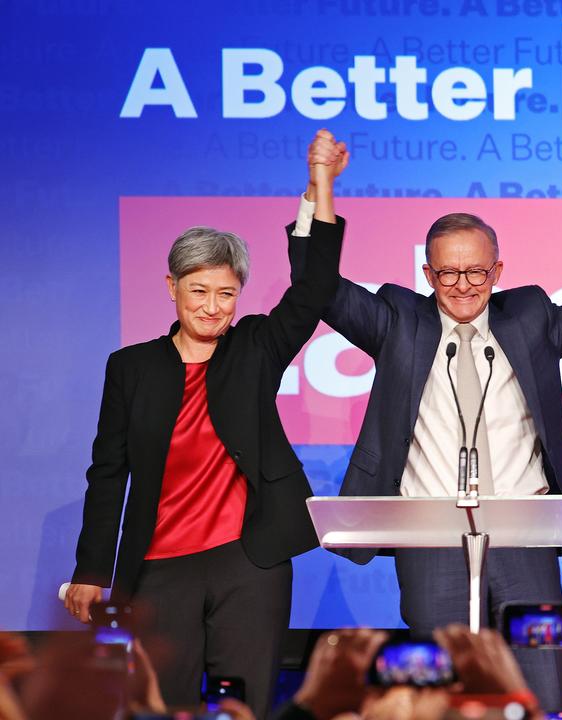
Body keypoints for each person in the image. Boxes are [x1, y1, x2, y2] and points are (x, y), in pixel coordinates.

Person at [288, 167, 562, 711]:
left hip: (525, 536)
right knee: (442, 701)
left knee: (543, 693)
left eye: (476, 272)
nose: (463, 285)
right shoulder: (396, 321)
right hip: (431, 541)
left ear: (498, 269)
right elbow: (318, 288)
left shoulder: (530, 319)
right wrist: (320, 189)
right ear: (427, 273)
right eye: (448, 273)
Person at [62, 129, 347, 719]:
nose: (213, 306)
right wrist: (92, 570)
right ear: (171, 288)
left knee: (241, 706)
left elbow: (314, 288)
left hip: (250, 562)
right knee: (159, 707)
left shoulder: (255, 348)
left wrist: (320, 186)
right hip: (159, 567)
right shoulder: (131, 367)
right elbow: (108, 473)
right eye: (199, 291)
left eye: (226, 292)